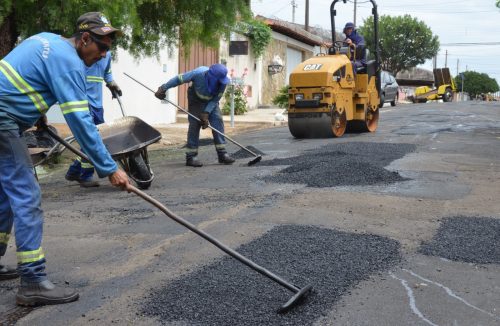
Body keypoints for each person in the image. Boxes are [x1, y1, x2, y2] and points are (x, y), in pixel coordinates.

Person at [0, 12, 130, 306]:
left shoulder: (46, 40)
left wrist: (39, 116)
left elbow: (23, 77)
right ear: (85, 38)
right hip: (2, 121)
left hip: (6, 117)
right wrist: (110, 168)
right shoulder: (69, 61)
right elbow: (81, 122)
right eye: (102, 48)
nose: (102, 56)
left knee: (7, 194)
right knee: (26, 195)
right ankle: (32, 281)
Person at [154, 64, 235, 167]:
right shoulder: (198, 73)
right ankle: (191, 157)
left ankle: (222, 154)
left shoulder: (223, 82)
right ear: (211, 76)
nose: (220, 82)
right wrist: (163, 88)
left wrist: (206, 112)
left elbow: (215, 99)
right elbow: (179, 79)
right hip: (195, 100)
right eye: (218, 79)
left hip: (211, 102)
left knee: (217, 121)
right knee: (194, 124)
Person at [65, 51, 122, 187]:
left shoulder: (106, 55)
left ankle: (74, 170)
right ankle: (85, 175)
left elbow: (107, 71)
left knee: (97, 138)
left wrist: (111, 83)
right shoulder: (81, 54)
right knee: (92, 137)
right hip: (83, 103)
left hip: (97, 104)